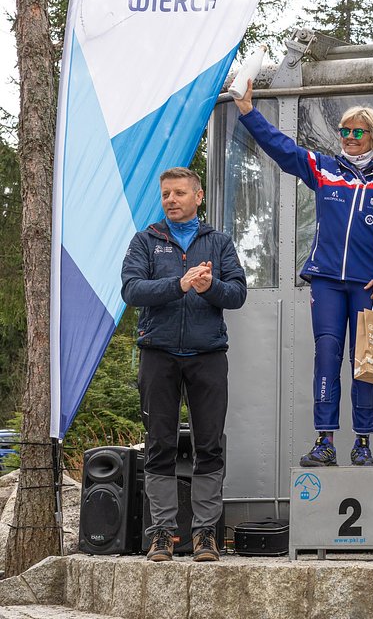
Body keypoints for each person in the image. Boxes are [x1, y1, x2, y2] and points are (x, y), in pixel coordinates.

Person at [235, 83, 373, 468]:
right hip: (327, 281)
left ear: (372, 136)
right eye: (344, 130)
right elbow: (283, 150)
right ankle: (325, 441)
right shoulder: (325, 168)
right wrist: (248, 112)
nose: (348, 136)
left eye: (356, 131)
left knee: (365, 364)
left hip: (368, 286)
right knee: (327, 355)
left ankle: (362, 444)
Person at [121, 167, 247, 562]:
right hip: (158, 353)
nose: (171, 200)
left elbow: (238, 294)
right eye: (166, 194)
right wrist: (179, 285)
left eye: (178, 193)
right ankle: (161, 534)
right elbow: (132, 290)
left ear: (198, 196)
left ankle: (206, 533)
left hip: (207, 355)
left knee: (209, 445)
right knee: (159, 444)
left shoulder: (219, 242)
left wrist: (211, 288)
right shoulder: (146, 241)